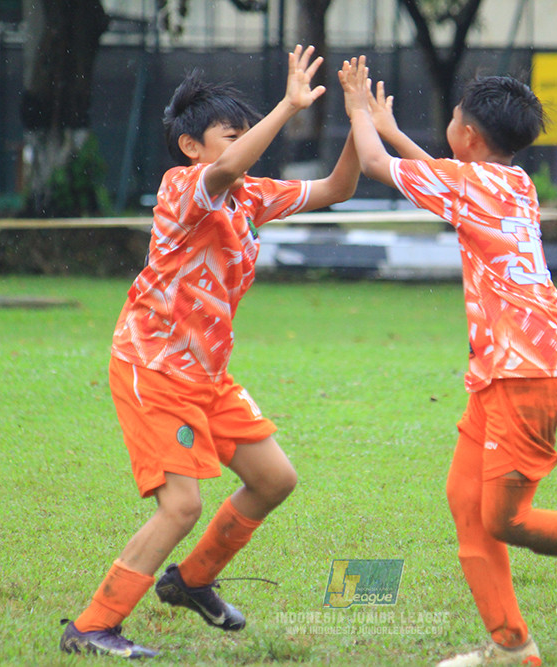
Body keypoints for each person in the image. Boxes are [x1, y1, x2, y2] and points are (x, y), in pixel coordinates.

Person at [337, 57, 557, 667]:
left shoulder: (473, 184)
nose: (447, 123)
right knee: (463, 500)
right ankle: (512, 647)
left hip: (528, 375)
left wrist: (358, 112)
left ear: (468, 137)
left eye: (452, 117)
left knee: (506, 521)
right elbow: (443, 179)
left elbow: (374, 167)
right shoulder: (512, 180)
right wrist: (393, 131)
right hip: (506, 370)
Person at [59, 44, 359, 658]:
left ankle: (191, 582)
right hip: (153, 368)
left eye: (248, 135)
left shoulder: (251, 197)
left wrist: (361, 123)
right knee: (181, 506)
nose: (246, 145)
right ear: (191, 147)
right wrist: (287, 105)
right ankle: (91, 626)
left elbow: (339, 186)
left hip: (208, 377)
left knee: (275, 478)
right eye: (232, 135)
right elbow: (224, 173)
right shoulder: (184, 187)